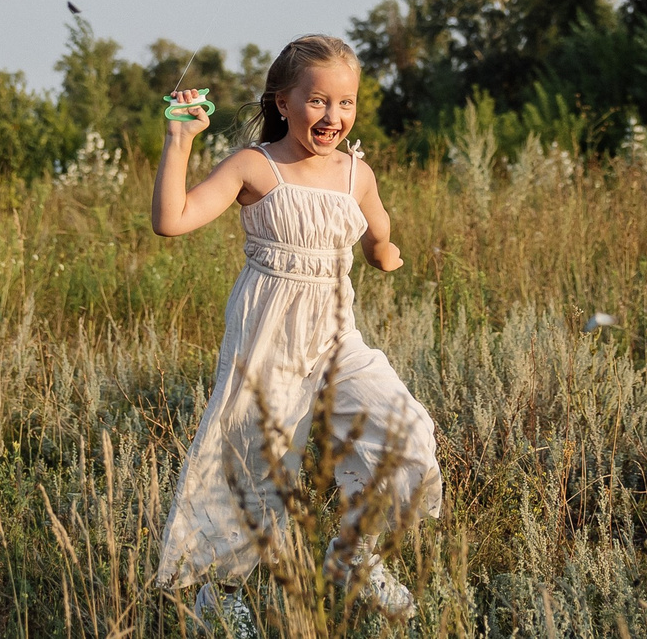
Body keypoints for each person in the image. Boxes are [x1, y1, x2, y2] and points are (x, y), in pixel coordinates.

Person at [149, 34, 442, 628]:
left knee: (405, 432)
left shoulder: (355, 173)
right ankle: (219, 590)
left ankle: (355, 556)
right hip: (268, 340)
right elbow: (172, 221)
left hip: (338, 340)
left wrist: (383, 249)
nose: (333, 117)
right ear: (283, 102)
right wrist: (179, 142)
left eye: (347, 104)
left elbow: (375, 223)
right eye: (317, 102)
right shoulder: (254, 165)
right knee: (253, 460)